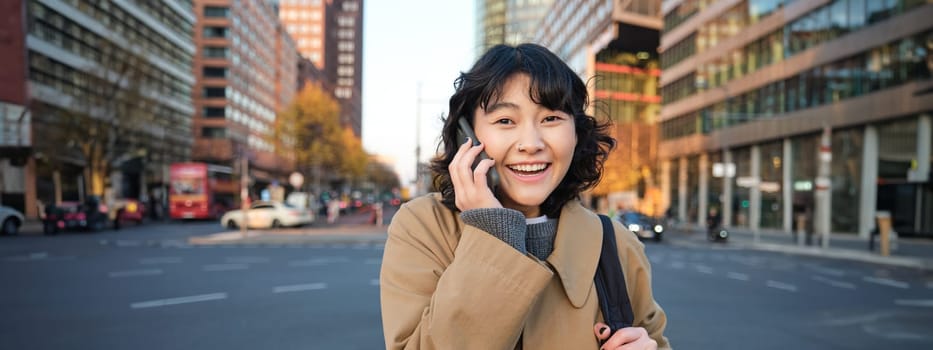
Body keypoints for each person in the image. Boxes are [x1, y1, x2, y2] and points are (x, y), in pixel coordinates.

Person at [380, 43, 670, 349]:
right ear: (468, 137)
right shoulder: (424, 227)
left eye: (551, 119)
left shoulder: (615, 243)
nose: (531, 143)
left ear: (576, 133)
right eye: (505, 121)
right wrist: (493, 233)